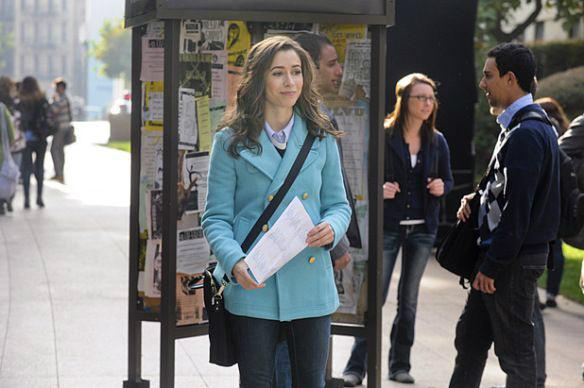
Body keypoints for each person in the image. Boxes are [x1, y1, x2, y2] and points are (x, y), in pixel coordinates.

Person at [201, 36, 351, 388]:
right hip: (254, 281)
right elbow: (215, 218)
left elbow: (338, 205)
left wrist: (331, 228)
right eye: (279, 73)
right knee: (256, 382)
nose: (291, 82)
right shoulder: (230, 141)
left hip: (309, 280)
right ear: (259, 80)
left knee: (310, 381)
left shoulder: (320, 135)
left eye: (297, 72)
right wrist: (235, 263)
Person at [450, 43, 560, 388]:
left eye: (488, 75)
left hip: (509, 262)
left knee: (516, 357)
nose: (483, 84)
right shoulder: (521, 127)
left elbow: (520, 210)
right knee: (470, 343)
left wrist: (492, 266)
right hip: (505, 258)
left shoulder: (527, 132)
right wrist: (479, 198)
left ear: (510, 79)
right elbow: (511, 193)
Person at [342, 73, 453, 386]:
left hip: (422, 229)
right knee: (375, 298)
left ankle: (399, 365)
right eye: (421, 97)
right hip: (388, 227)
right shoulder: (384, 135)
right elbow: (362, 178)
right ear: (404, 100)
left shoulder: (438, 140)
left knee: (409, 300)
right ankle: (356, 368)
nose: (427, 103)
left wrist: (442, 187)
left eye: (431, 98)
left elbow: (449, 180)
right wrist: (380, 190)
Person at [269, 32, 362, 388]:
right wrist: (338, 246)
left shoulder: (320, 120)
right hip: (286, 255)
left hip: (310, 248)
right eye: (331, 62)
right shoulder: (304, 121)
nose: (338, 70)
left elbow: (335, 192)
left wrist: (336, 237)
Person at [15, 76, 52, 209]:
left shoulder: (20, 102)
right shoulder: (42, 100)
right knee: (40, 168)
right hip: (41, 138)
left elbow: (17, 121)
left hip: (26, 138)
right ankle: (39, 198)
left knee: (26, 169)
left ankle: (26, 200)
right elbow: (49, 117)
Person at [50, 77, 72, 184]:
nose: (55, 89)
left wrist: (53, 101)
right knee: (60, 150)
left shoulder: (62, 99)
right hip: (64, 127)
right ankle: (59, 173)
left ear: (61, 88)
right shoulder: (64, 98)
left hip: (61, 128)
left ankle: (59, 173)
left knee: (54, 149)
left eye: (56, 87)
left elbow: (53, 110)